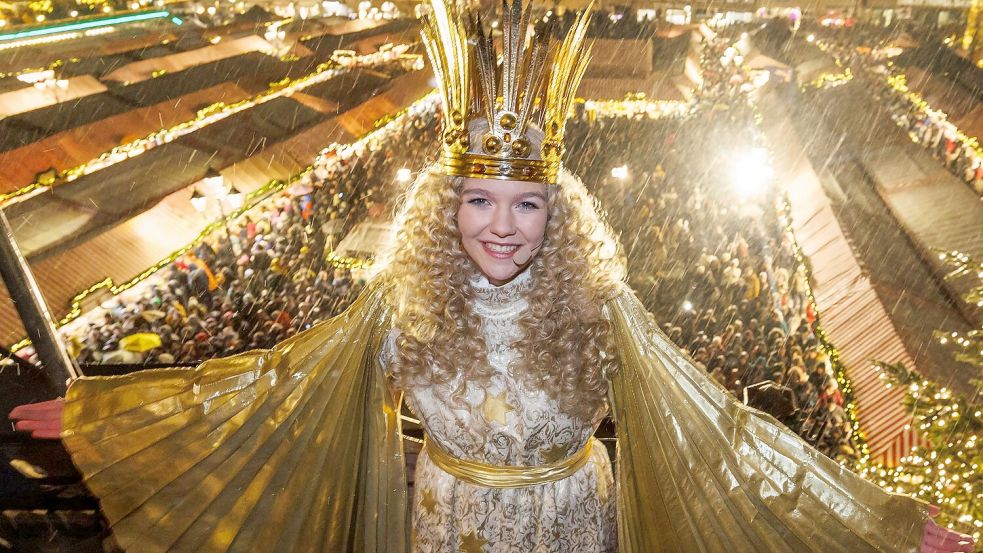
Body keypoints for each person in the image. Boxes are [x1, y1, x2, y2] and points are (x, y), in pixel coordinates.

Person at [8, 1, 976, 552]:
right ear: (445, 205)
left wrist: (879, 527)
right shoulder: (401, 305)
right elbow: (274, 388)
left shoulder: (601, 306)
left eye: (526, 203)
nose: (501, 227)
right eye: (479, 201)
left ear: (559, 213)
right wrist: (114, 411)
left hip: (573, 531)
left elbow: (718, 432)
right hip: (445, 530)